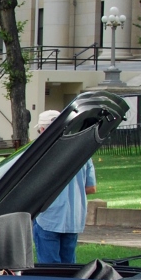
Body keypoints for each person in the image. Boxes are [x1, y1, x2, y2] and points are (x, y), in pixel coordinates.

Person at [32, 109, 97, 264]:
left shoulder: (40, 154)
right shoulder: (82, 151)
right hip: (74, 218)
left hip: (48, 217)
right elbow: (91, 187)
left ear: (42, 130)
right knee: (69, 267)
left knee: (49, 269)